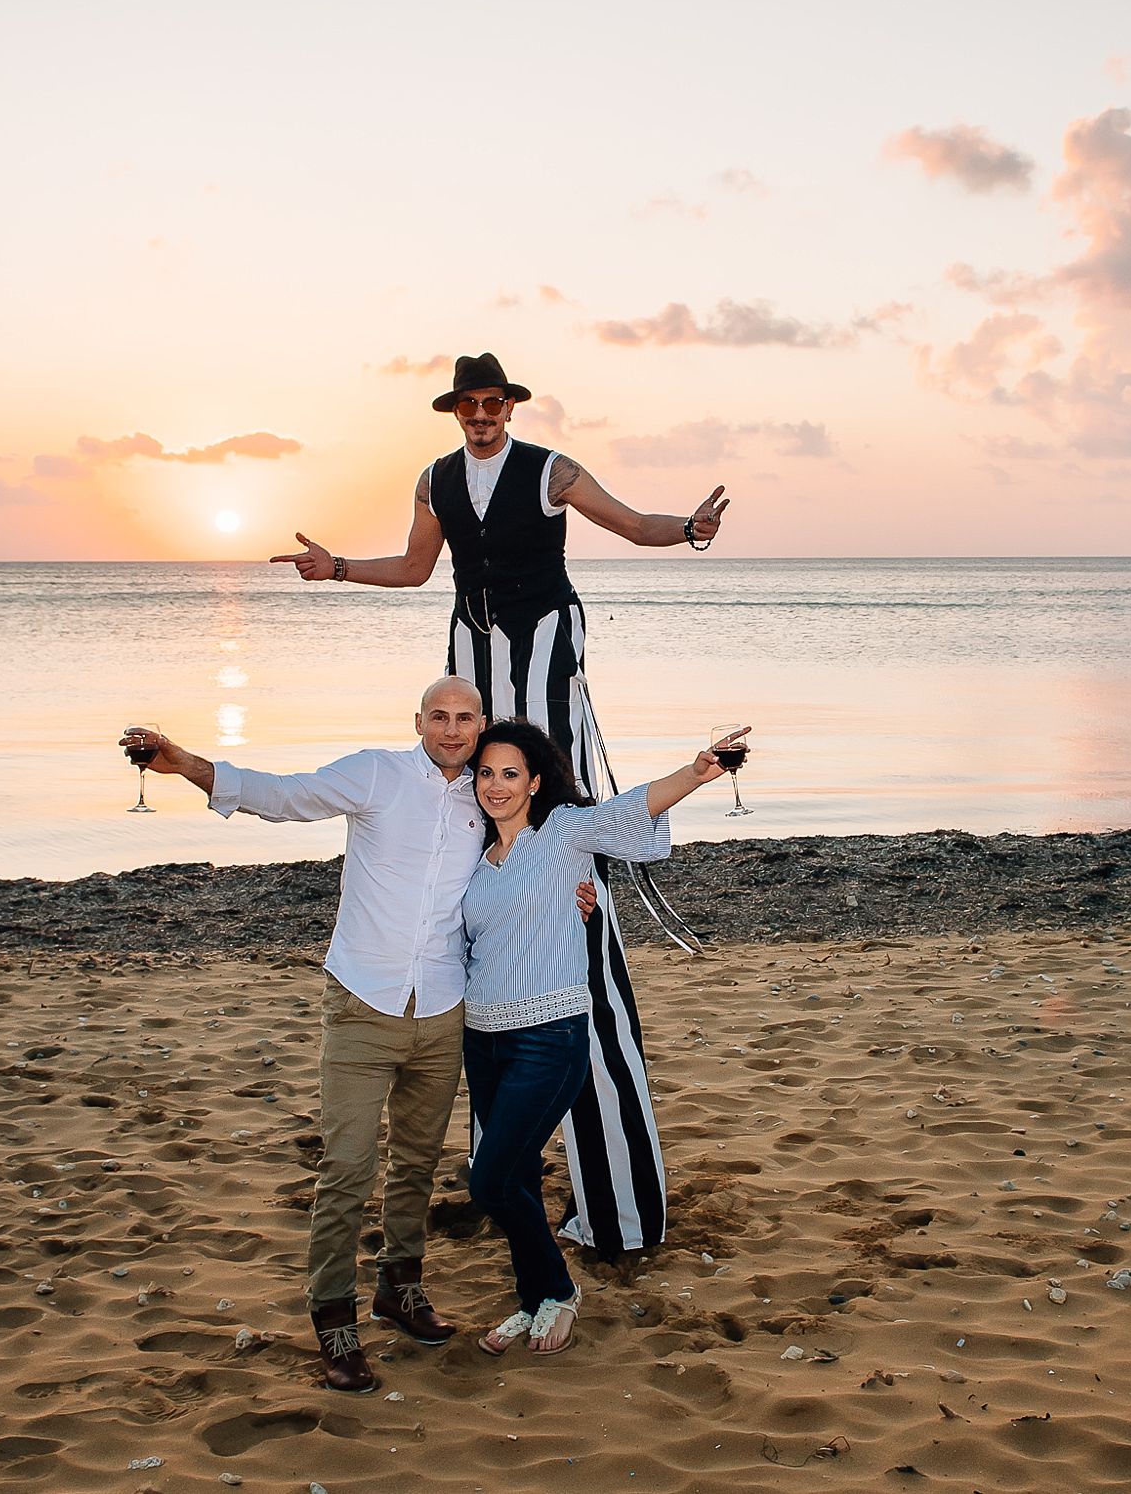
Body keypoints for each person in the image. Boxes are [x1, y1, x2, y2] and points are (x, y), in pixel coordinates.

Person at [269, 352, 729, 1253]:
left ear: (510, 407)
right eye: (468, 405)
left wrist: (691, 527)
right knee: (481, 777)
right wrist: (335, 570)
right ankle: (502, 1188)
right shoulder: (435, 479)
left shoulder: (551, 471)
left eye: (494, 403)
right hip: (473, 643)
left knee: (545, 778)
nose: (482, 415)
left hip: (546, 636)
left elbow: (632, 524)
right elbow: (413, 568)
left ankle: (614, 1206)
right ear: (454, 412)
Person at [116, 678, 593, 1394]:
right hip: (363, 1003)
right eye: (440, 716)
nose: (453, 730)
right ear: (420, 722)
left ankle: (400, 1289)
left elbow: (548, 852)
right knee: (346, 1167)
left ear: (481, 724)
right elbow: (284, 795)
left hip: (443, 1012)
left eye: (466, 718)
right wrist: (185, 763)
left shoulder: (489, 794)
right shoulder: (376, 773)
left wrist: (579, 898)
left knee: (416, 1165)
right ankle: (332, 1316)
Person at [459, 718, 742, 1355]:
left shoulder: (562, 834)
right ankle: (531, 1298)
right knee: (516, 1177)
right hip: (484, 1039)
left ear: (535, 781)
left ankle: (557, 1291)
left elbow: (628, 807)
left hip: (548, 1034)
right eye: (486, 773)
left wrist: (696, 773)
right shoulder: (475, 860)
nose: (496, 786)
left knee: (489, 1180)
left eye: (510, 773)